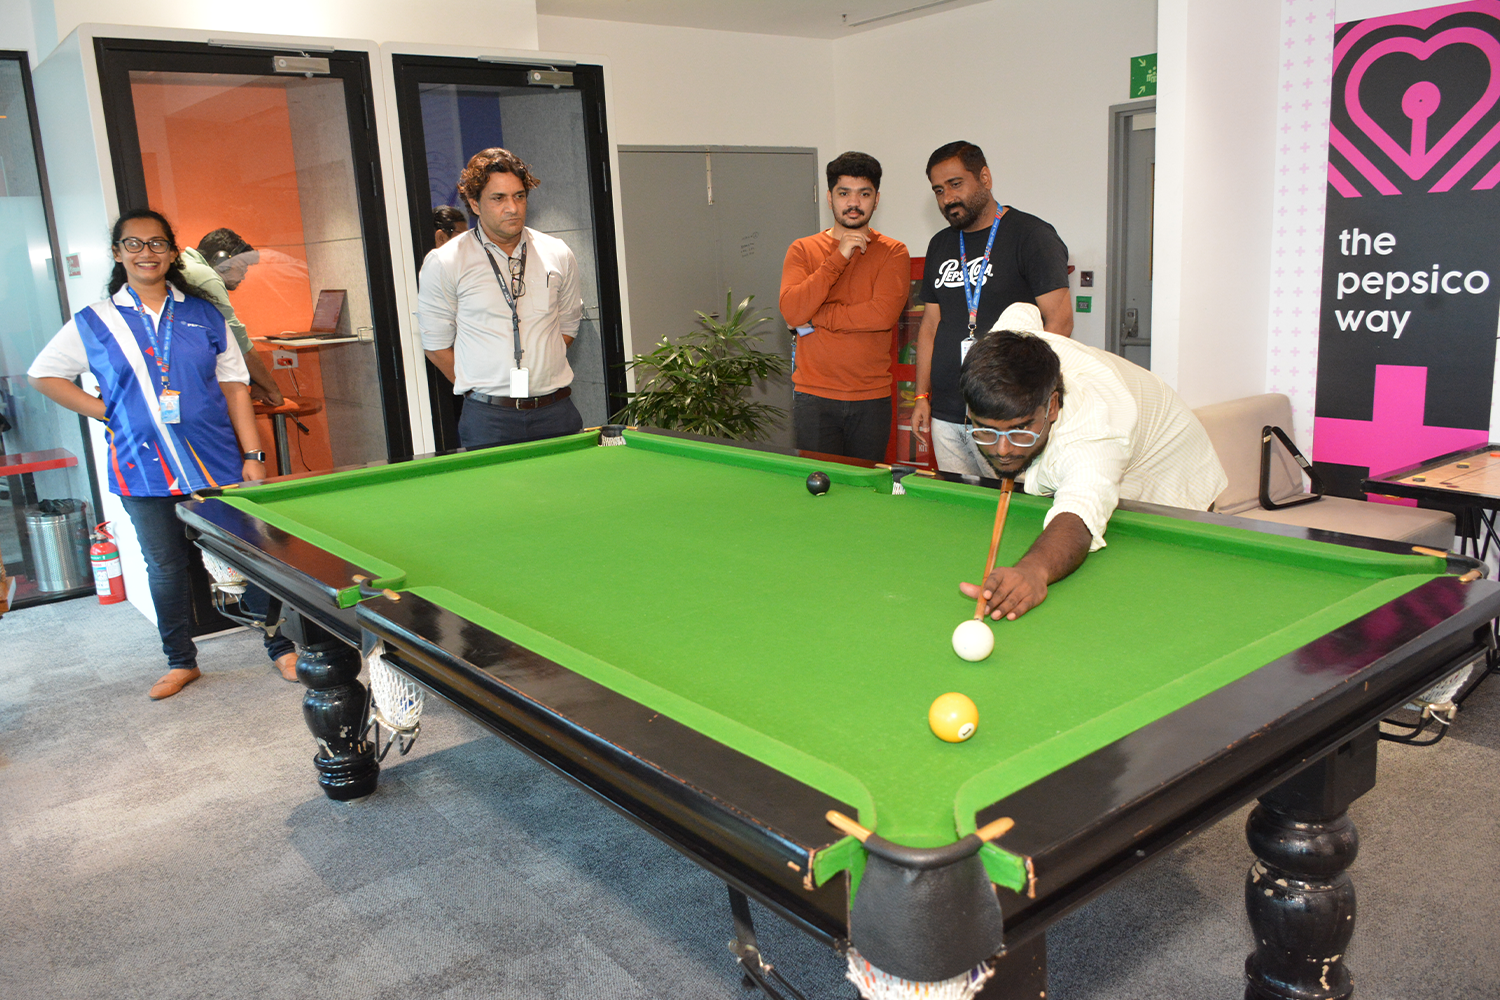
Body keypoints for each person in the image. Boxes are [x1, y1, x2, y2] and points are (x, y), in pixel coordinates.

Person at [27, 209, 295, 699]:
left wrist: (254, 454)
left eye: (156, 243)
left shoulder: (204, 314)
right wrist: (107, 411)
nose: (145, 252)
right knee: (166, 567)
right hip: (140, 466)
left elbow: (235, 387)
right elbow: (43, 375)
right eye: (133, 243)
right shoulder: (96, 320)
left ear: (172, 252)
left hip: (215, 459)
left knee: (251, 555)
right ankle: (180, 661)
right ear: (117, 253)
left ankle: (280, 647)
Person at [957, 303, 1227, 622]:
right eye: (986, 430)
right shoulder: (1007, 342)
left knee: (1160, 603)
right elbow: (1022, 309)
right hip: (1117, 450)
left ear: (1052, 406)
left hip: (1171, 477)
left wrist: (1033, 570)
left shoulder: (1095, 427)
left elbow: (1080, 511)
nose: (1002, 450)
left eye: (1020, 430)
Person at [912, 141, 1073, 478]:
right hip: (947, 414)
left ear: (984, 178)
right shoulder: (940, 244)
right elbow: (929, 326)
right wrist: (922, 396)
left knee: (1011, 501)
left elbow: (1059, 321)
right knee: (957, 502)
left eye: (956, 184)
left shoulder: (1031, 236)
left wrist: (1023, 404)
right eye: (939, 190)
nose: (947, 198)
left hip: (1005, 421)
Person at [418, 148, 584, 449]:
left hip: (556, 411)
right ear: (474, 204)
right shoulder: (446, 262)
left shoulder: (557, 253)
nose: (512, 208)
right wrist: (483, 389)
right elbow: (436, 345)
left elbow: (569, 325)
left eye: (519, 196)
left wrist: (540, 366)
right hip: (489, 419)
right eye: (498, 198)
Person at [778, 151, 911, 462]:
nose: (854, 202)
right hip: (813, 397)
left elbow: (882, 316)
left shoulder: (894, 252)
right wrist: (838, 257)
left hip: (871, 399)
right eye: (844, 193)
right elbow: (793, 312)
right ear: (829, 198)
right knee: (818, 483)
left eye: (864, 194)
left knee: (863, 486)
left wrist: (817, 315)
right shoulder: (802, 249)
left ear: (876, 199)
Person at [176, 228, 284, 406]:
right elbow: (235, 336)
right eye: (242, 265)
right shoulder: (205, 277)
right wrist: (272, 389)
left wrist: (255, 382)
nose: (244, 274)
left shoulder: (186, 265)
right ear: (222, 260)